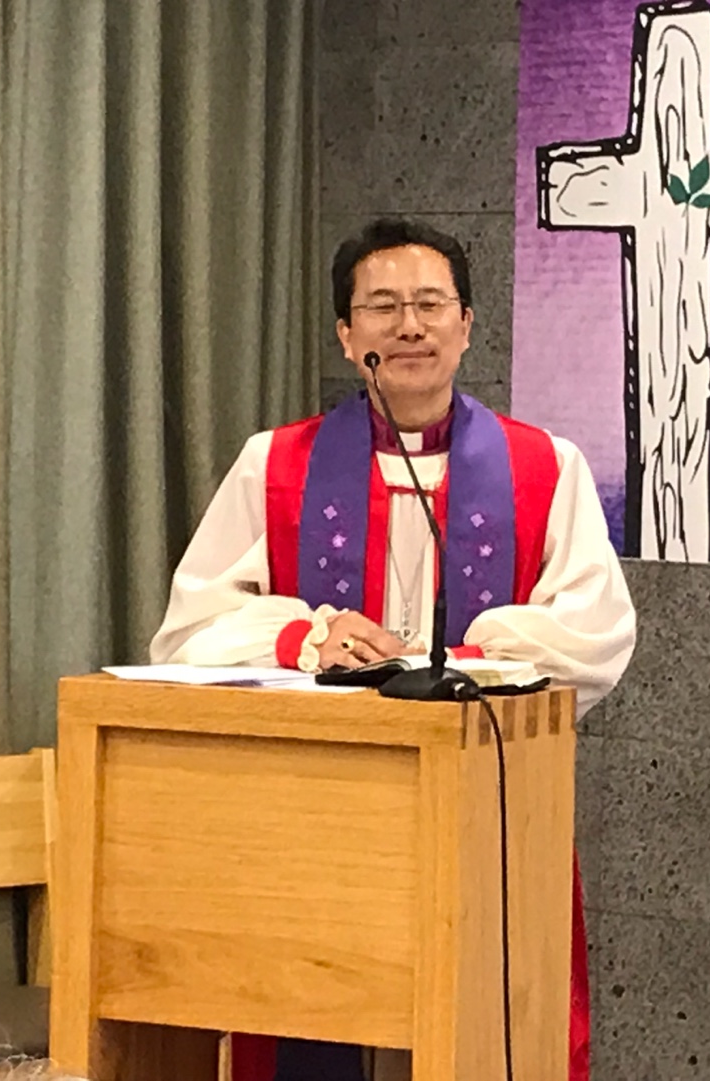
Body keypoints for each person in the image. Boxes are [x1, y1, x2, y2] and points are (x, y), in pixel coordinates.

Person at [151, 218, 636, 1081]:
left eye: (429, 304)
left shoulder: (544, 467)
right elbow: (189, 633)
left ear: (466, 325)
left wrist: (467, 655)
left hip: (485, 807)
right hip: (320, 814)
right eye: (381, 307)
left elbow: (596, 633)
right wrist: (304, 637)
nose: (408, 326)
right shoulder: (274, 464)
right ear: (347, 335)